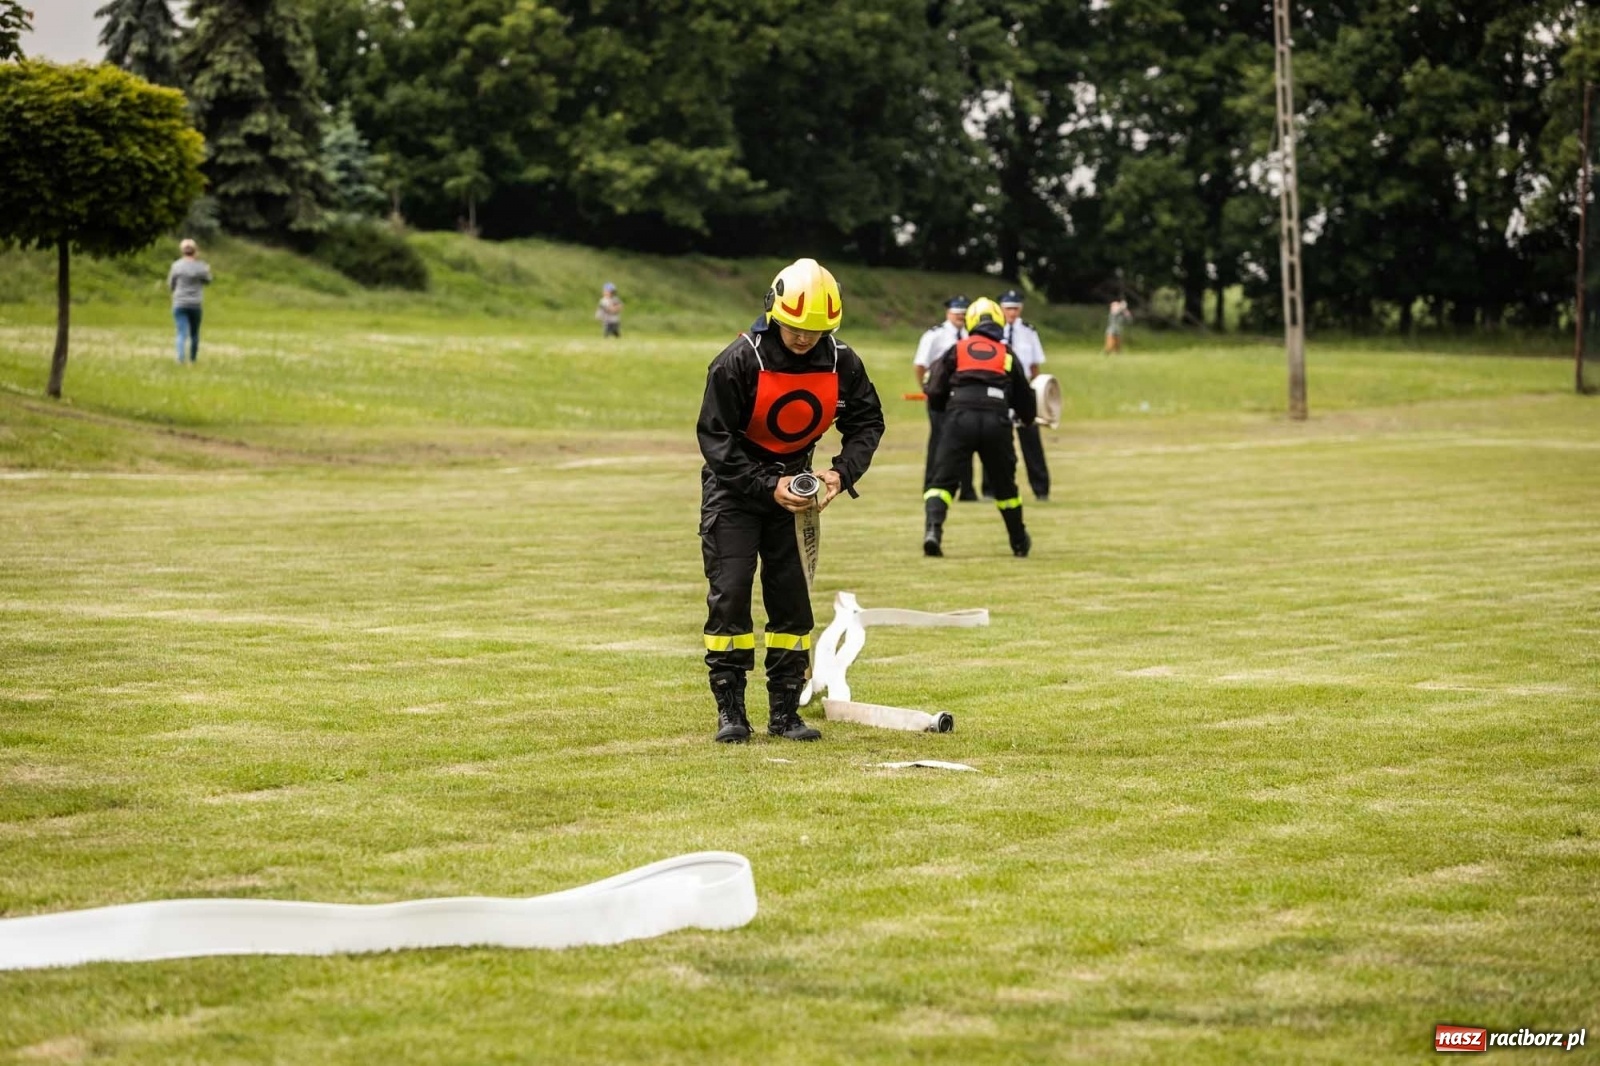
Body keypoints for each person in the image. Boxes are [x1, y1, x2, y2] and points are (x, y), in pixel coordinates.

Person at [697, 258, 885, 743]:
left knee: (792, 604)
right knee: (731, 594)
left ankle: (785, 714)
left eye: (817, 331)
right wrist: (764, 485)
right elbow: (716, 440)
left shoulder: (843, 361)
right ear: (774, 312)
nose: (805, 339)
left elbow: (867, 423)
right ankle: (731, 713)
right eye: (797, 328)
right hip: (734, 492)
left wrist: (840, 475)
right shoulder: (738, 361)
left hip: (796, 491)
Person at [921, 297, 1037, 559]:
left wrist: (942, 408)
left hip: (959, 418)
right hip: (996, 420)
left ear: (971, 322)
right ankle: (1019, 541)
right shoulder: (1006, 354)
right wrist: (1028, 418)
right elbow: (1025, 397)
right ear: (998, 322)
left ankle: (933, 531)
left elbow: (936, 388)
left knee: (941, 482)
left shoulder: (957, 349)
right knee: (1005, 486)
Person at [912, 296, 978, 501]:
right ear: (948, 313)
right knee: (939, 439)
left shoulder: (971, 336)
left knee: (966, 440)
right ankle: (931, 485)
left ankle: (967, 490)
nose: (960, 316)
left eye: (963, 313)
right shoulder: (935, 335)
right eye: (956, 312)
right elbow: (920, 364)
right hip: (940, 394)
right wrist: (926, 388)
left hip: (964, 395)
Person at [997, 289, 1051, 501]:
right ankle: (992, 487)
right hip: (1001, 387)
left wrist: (1035, 391)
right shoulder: (992, 330)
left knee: (1031, 438)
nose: (1012, 313)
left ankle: (1041, 488)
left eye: (1016, 308)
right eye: (1008, 308)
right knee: (996, 438)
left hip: (1023, 389)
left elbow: (1034, 365)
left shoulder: (1029, 331)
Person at [167, 239, 212, 364]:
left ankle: (180, 358)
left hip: (180, 302)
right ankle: (192, 359)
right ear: (195, 250)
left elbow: (171, 284)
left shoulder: (176, 265)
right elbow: (208, 281)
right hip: (195, 303)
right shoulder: (201, 266)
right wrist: (207, 271)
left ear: (182, 250)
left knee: (181, 332)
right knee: (194, 333)